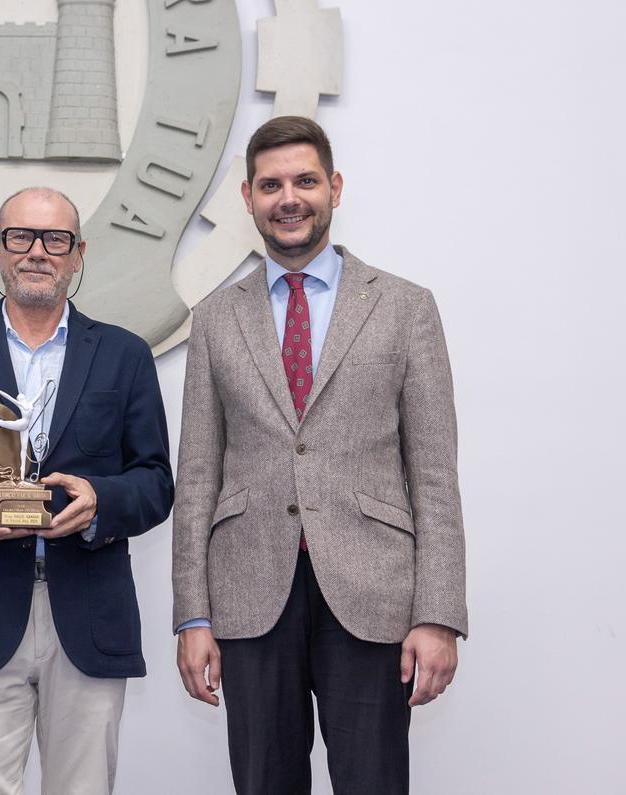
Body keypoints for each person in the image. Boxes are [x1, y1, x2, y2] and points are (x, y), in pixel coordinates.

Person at [172, 117, 468, 794]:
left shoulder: (404, 307)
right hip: (249, 595)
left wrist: (438, 612)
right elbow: (197, 474)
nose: (289, 197)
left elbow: (433, 475)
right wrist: (192, 616)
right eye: (270, 184)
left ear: (333, 187)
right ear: (248, 197)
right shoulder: (217, 318)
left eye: (305, 180)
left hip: (374, 594)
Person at [0, 187, 174, 794]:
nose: (37, 251)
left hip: (89, 611)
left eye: (55, 239)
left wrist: (101, 504)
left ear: (77, 254)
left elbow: (154, 481)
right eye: (21, 237)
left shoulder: (124, 355)